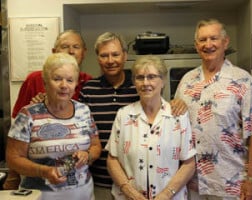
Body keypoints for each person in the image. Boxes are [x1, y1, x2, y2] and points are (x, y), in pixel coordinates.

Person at [79, 32, 187, 199]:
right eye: (104, 55)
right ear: (98, 58)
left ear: (124, 55)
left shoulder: (142, 89)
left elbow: (188, 161)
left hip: (156, 189)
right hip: (101, 180)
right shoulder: (89, 90)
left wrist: (178, 103)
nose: (110, 60)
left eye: (115, 54)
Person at [175, 19, 252, 200]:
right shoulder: (187, 80)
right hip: (192, 182)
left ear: (225, 42)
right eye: (202, 40)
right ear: (196, 45)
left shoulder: (242, 80)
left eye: (213, 38)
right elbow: (175, 122)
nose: (208, 44)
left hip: (230, 183)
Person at [3, 29, 92, 190]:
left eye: (76, 47)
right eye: (65, 46)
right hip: (39, 185)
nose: (71, 51)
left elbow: (93, 139)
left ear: (84, 52)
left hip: (79, 185)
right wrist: (13, 176)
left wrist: (88, 154)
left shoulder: (90, 83)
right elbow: (16, 141)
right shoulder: (34, 80)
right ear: (54, 51)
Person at [106, 55, 196, 200]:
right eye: (140, 77)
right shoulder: (124, 115)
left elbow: (189, 163)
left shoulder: (178, 116)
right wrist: (130, 193)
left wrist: (166, 194)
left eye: (152, 77)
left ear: (163, 80)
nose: (145, 83)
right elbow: (112, 160)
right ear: (134, 82)